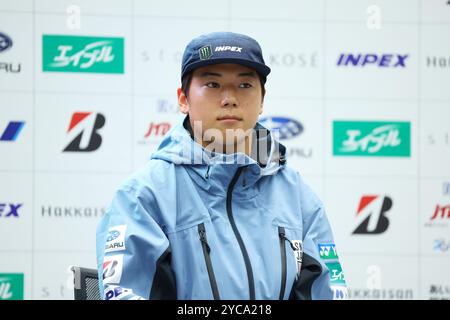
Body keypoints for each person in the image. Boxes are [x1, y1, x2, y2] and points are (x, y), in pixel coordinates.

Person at [96, 31, 347, 300]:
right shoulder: (143, 196)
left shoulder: (299, 198)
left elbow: (328, 292)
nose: (230, 98)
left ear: (262, 100)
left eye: (245, 85)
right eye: (213, 84)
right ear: (183, 99)